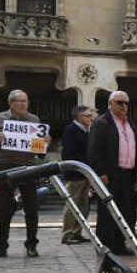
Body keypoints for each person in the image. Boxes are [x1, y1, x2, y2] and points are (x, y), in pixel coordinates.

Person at [0, 89, 44, 258]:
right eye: (19, 101)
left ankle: (31, 245)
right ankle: (1, 246)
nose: (23, 104)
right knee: (4, 207)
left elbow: (39, 148)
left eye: (25, 101)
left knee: (31, 207)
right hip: (4, 165)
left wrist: (45, 142)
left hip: (27, 166)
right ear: (11, 103)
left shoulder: (34, 120)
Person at [87, 91, 137, 257]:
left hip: (128, 174)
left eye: (126, 103)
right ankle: (105, 248)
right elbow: (94, 151)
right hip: (109, 175)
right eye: (120, 103)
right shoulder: (101, 123)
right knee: (107, 213)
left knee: (125, 212)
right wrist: (100, 173)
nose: (124, 106)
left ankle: (119, 245)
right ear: (110, 104)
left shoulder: (131, 123)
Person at [59, 105, 94, 245]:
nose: (91, 118)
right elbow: (69, 153)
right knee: (72, 204)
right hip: (75, 174)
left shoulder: (87, 131)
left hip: (85, 173)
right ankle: (67, 234)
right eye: (88, 116)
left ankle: (77, 232)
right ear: (80, 117)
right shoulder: (71, 130)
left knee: (83, 205)